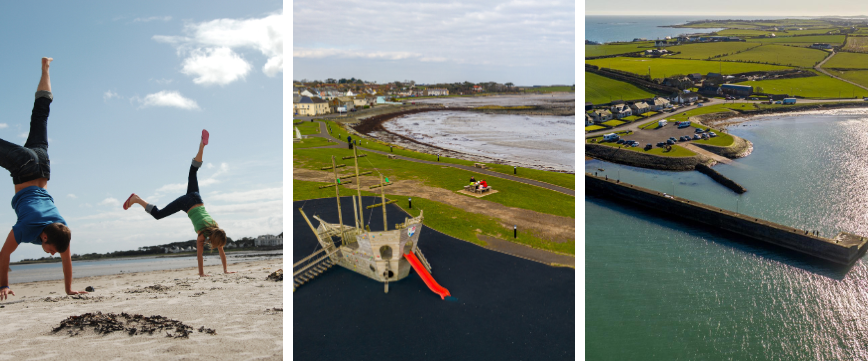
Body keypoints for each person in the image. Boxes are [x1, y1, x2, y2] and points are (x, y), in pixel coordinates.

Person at [0, 58, 87, 300]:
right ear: (45, 238)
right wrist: (2, 286)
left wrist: (69, 289)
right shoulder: (27, 229)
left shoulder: (61, 229)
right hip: (25, 167)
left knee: (41, 114)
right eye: (51, 250)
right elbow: (4, 255)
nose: (51, 253)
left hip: (43, 164)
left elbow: (66, 262)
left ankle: (46, 67)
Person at [123, 130, 236, 277]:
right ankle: (136, 199)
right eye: (217, 245)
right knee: (158, 214)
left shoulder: (216, 227)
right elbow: (200, 256)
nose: (218, 247)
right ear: (214, 240)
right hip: (187, 204)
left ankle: (202, 146)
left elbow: (219, 251)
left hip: (197, 199)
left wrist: (226, 270)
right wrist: (202, 274)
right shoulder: (202, 235)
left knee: (193, 171)